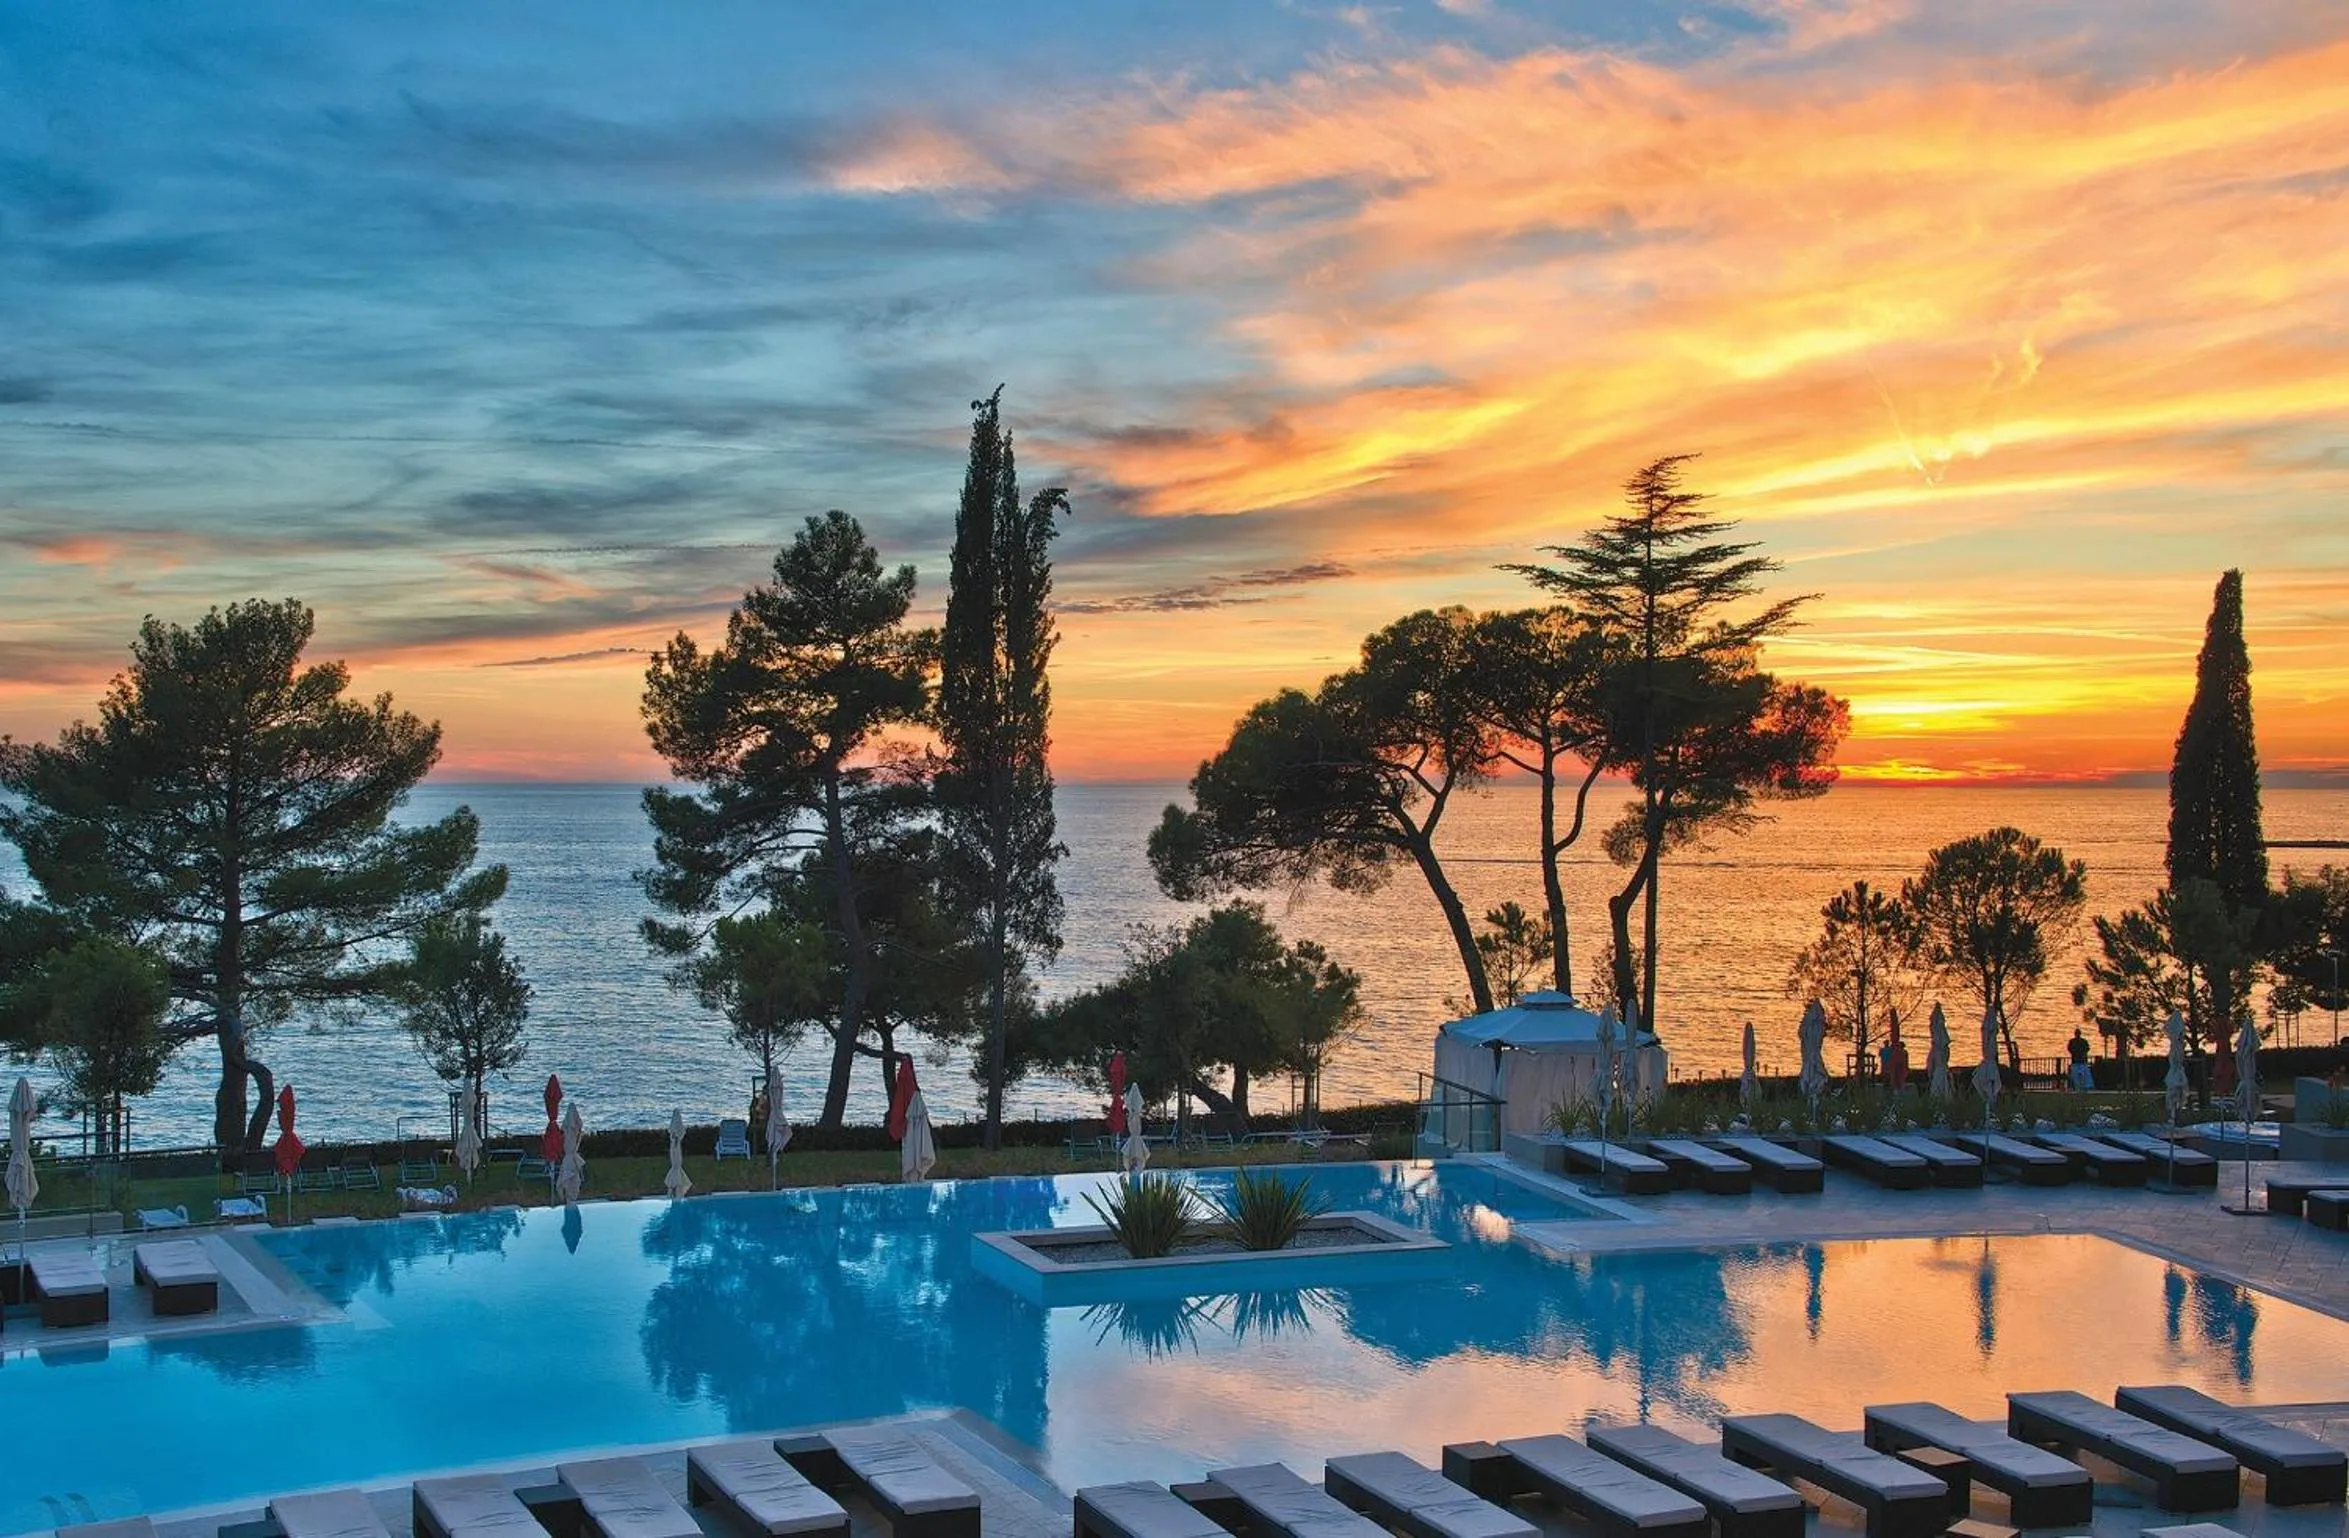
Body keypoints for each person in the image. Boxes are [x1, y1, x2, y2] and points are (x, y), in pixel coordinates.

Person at [2067, 1027, 2094, 1091]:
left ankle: (2082, 1087)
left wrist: (2079, 1053)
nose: (2077, 1034)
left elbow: (2087, 1048)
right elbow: (2069, 1049)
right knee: (2077, 1076)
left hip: (2081, 1061)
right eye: (2077, 1033)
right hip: (2077, 1061)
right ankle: (2078, 1087)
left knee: (2082, 1076)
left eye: (2078, 1033)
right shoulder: (2073, 1041)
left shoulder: (2081, 1041)